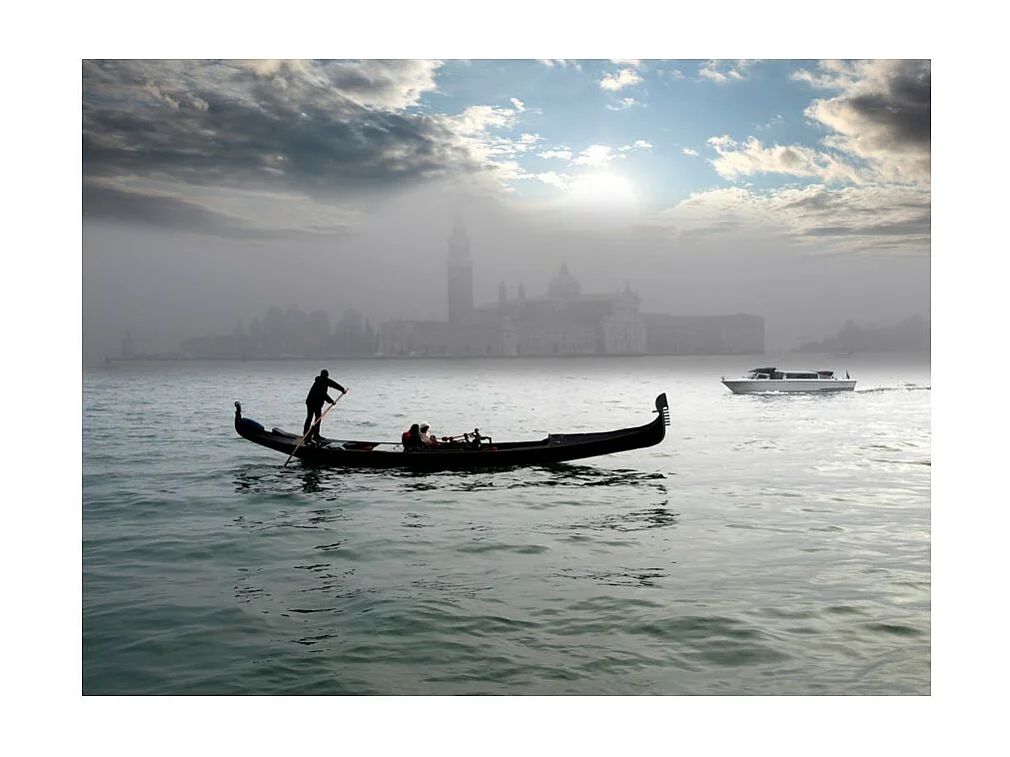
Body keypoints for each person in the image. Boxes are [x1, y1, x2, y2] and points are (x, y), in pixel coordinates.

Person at [304, 369, 346, 444]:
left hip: (317, 404)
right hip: (312, 403)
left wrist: (342, 389)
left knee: (317, 418)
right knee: (311, 418)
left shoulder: (324, 380)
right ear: (326, 376)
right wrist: (331, 401)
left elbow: (333, 384)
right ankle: (306, 435)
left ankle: (315, 435)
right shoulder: (320, 383)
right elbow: (323, 394)